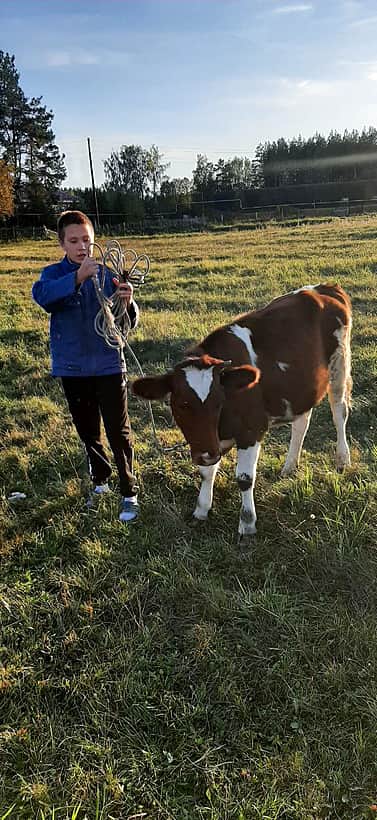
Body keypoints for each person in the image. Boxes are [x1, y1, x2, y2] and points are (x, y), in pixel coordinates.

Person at [32, 210, 140, 522]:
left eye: (87, 240)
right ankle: (100, 482)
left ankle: (129, 492)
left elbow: (126, 323)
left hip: (109, 365)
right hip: (73, 368)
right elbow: (44, 297)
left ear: (94, 241)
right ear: (62, 244)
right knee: (88, 430)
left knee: (118, 431)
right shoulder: (52, 275)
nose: (82, 247)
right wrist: (77, 278)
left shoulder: (108, 275)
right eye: (74, 241)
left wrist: (127, 302)